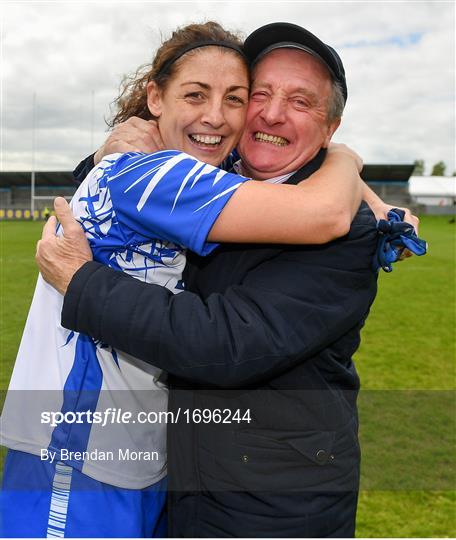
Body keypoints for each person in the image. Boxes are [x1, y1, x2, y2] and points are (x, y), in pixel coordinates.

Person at [0, 22, 367, 539]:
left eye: (234, 98)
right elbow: (323, 212)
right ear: (155, 98)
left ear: (330, 125)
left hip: (160, 471)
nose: (216, 116)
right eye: (197, 95)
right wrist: (348, 163)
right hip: (75, 455)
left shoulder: (209, 180)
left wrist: (350, 170)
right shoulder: (154, 175)